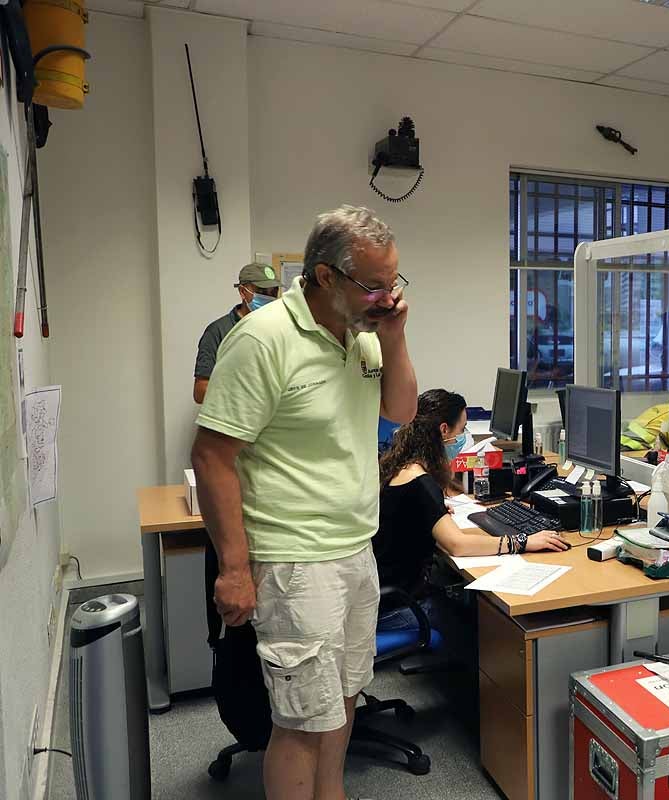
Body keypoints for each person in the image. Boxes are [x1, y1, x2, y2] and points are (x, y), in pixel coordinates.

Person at [191, 205, 418, 800]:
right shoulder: (264, 340)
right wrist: (236, 569)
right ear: (325, 277)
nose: (387, 295)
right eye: (374, 284)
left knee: (340, 704)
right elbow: (212, 456)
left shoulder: (363, 334)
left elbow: (400, 412)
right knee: (298, 723)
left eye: (393, 281)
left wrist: (393, 337)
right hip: (294, 561)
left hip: (353, 548)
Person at [374, 415, 568, 629]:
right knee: (481, 623)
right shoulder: (421, 483)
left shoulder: (395, 469)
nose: (463, 440)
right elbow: (458, 545)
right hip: (399, 610)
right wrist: (523, 541)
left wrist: (431, 512)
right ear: (442, 435)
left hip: (380, 602)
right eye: (462, 429)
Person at [193, 262, 282, 404]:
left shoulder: (281, 328)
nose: (269, 298)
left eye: (273, 292)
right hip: (233, 420)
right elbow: (200, 391)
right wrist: (246, 395)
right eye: (262, 292)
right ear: (242, 291)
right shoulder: (218, 331)